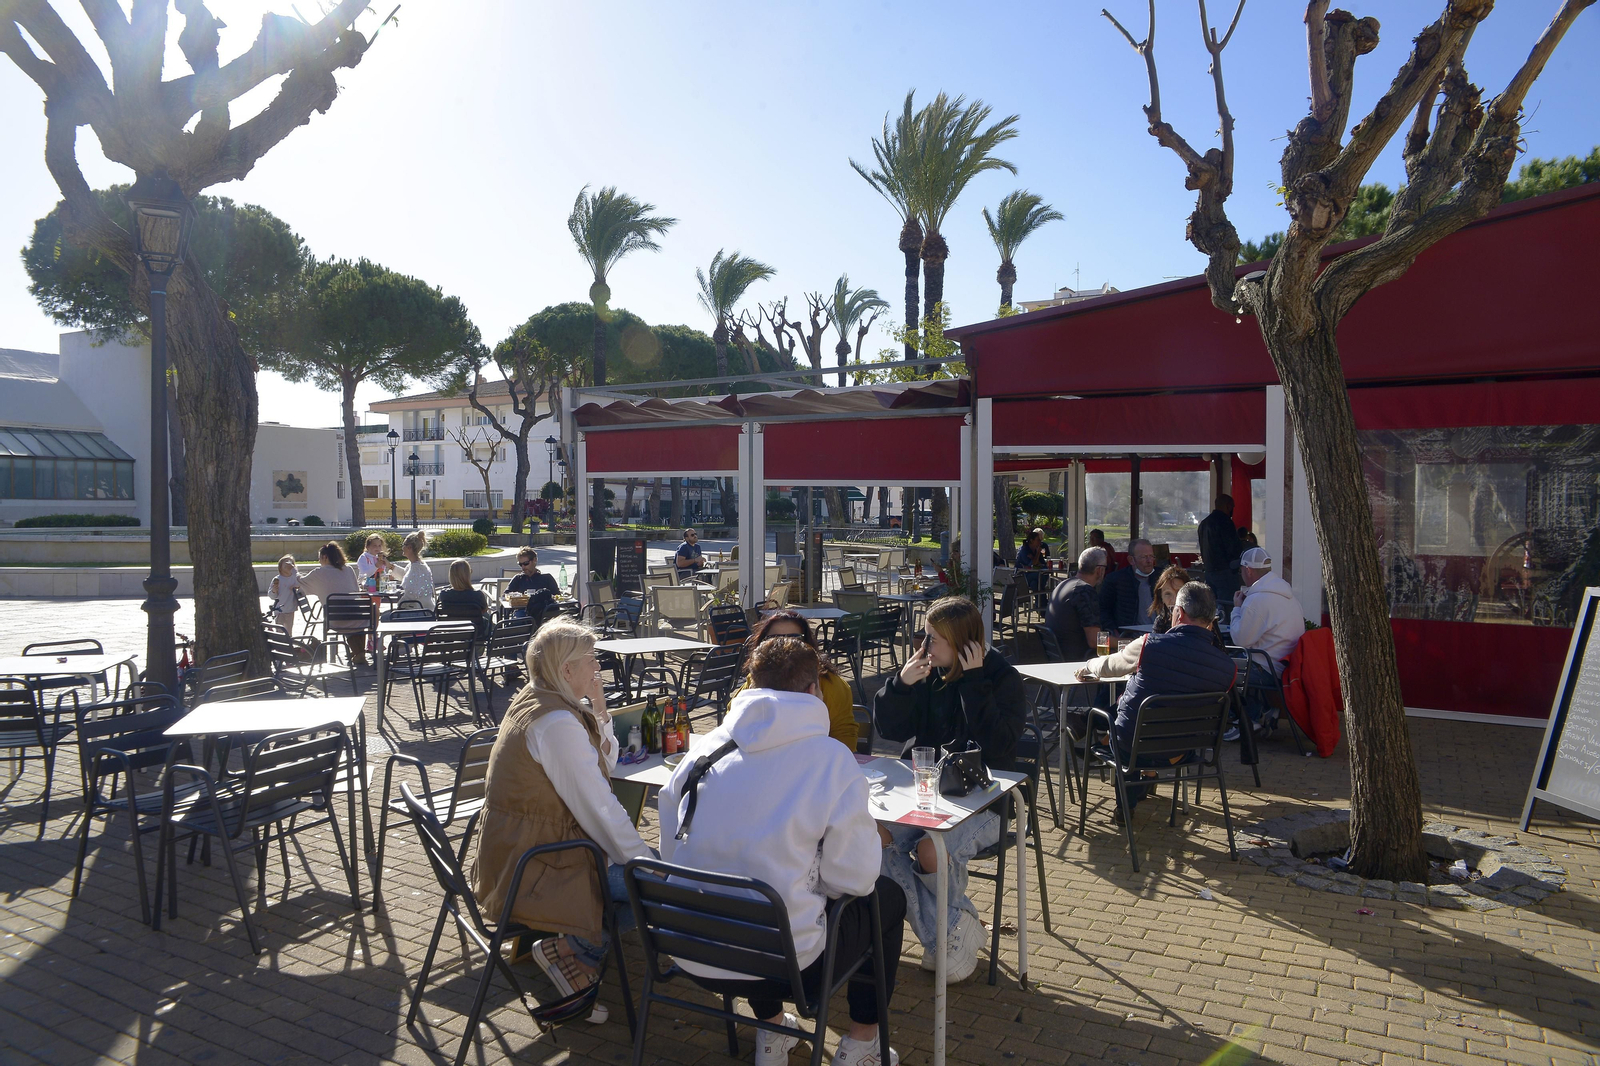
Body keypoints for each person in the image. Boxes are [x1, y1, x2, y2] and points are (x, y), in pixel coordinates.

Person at [660, 636, 904, 1066]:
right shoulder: (830, 759)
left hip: (691, 949)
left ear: (752, 684)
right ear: (814, 689)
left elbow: (670, 847)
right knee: (885, 897)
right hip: (788, 967)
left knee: (755, 888)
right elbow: (854, 879)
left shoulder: (705, 749)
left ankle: (772, 1031)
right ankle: (862, 1043)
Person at [471, 620, 652, 1024]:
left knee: (650, 877)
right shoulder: (556, 723)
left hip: (518, 849)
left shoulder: (539, 698)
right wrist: (643, 860)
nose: (598, 667)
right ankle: (576, 950)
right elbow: (598, 807)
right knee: (660, 886)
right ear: (567, 669)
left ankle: (572, 950)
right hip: (535, 864)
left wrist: (599, 704)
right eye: (591, 659)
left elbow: (605, 762)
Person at [872, 597, 1025, 983]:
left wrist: (974, 683)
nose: (923, 646)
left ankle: (945, 938)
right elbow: (889, 731)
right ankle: (952, 933)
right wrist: (901, 684)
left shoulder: (1001, 677)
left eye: (933, 639)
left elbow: (999, 747)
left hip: (989, 800)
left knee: (931, 849)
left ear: (962, 643)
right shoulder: (929, 672)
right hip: (926, 793)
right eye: (924, 635)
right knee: (873, 836)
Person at [1077, 582, 1237, 819]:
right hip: (1182, 750)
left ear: (1179, 613)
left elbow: (1109, 666)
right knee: (1134, 721)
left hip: (1133, 747)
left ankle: (1126, 807)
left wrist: (1089, 665)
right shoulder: (1227, 668)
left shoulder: (1148, 645)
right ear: (1211, 620)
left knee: (1124, 725)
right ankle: (1139, 789)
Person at [739, 611, 859, 750]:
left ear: (807, 644)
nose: (784, 645)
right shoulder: (754, 679)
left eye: (794, 638)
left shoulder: (831, 685)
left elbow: (844, 738)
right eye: (774, 638)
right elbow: (734, 722)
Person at [1230, 546, 1304, 734]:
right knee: (1234, 662)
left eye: (1241, 570)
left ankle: (1252, 716)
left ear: (1248, 570)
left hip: (1269, 668)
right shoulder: (1288, 596)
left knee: (1219, 670)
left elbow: (1240, 639)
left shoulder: (1257, 600)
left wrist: (1237, 608)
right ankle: (1259, 714)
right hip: (1287, 666)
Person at [298, 541, 366, 667]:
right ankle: (359, 653)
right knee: (353, 617)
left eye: (319, 558)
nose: (319, 561)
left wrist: (293, 572)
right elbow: (356, 591)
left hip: (336, 618)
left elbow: (301, 583)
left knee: (344, 616)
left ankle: (359, 654)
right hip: (360, 617)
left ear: (325, 557)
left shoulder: (319, 573)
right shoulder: (348, 570)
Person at [1045, 547, 1106, 661]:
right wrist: (1126, 643)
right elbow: (1095, 641)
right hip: (1080, 658)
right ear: (1099, 570)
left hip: (1059, 655)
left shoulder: (1063, 584)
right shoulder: (1084, 591)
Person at [1098, 538, 1165, 630]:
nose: (1149, 561)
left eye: (1151, 556)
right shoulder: (1116, 580)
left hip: (1160, 634)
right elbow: (1103, 610)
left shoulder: (1162, 578)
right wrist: (1114, 631)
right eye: (1144, 557)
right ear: (1131, 560)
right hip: (1129, 635)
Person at [1198, 495, 1244, 606]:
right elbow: (1232, 548)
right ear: (1228, 506)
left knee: (1212, 607)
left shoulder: (1203, 523)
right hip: (1225, 573)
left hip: (1209, 572)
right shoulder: (1225, 522)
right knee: (1229, 606)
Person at [437, 559, 491, 638]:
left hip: (451, 630)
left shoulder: (444, 594)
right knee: (487, 617)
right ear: (468, 575)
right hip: (476, 632)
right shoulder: (477, 595)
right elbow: (484, 610)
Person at [506, 546, 560, 619]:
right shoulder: (518, 579)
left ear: (534, 560)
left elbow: (557, 596)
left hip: (544, 613)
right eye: (520, 564)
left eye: (526, 563)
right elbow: (506, 595)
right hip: (523, 612)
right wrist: (517, 596)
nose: (523, 567)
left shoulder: (546, 578)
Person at [390, 531, 434, 610]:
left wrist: (399, 602)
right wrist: (390, 566)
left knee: (385, 616)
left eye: (403, 545)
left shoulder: (418, 568)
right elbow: (405, 575)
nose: (402, 548)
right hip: (419, 608)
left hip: (418, 611)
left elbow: (411, 595)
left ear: (409, 547)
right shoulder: (415, 565)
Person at [267, 554, 301, 636]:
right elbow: (271, 596)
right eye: (286, 562)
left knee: (289, 631)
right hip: (279, 610)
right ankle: (280, 642)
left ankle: (288, 642)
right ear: (280, 567)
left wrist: (294, 571)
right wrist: (274, 591)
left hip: (290, 609)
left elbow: (300, 583)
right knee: (279, 630)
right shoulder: (277, 579)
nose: (289, 564)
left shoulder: (294, 578)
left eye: (291, 563)